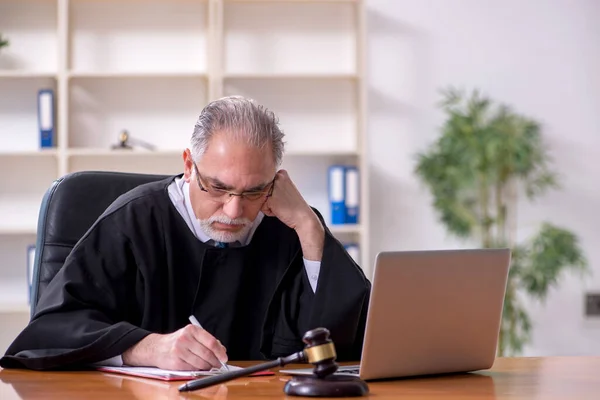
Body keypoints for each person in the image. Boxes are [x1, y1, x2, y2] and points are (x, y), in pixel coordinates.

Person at [0, 96, 371, 371]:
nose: (234, 211)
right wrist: (144, 348)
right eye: (218, 187)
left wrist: (310, 226)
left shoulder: (290, 225)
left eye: (254, 191)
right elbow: (49, 333)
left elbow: (349, 340)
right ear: (189, 165)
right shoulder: (132, 222)